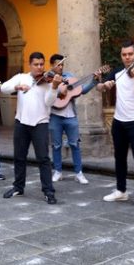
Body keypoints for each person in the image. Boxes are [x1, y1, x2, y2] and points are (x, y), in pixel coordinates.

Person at [97, 40, 134, 210]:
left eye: (130, 54)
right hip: (119, 121)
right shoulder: (118, 72)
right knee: (119, 158)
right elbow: (99, 87)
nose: (127, 57)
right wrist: (104, 85)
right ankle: (121, 190)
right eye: (124, 54)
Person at [0, 52, 62, 204]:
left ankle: (48, 191)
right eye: (36, 64)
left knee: (43, 159)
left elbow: (48, 103)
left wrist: (54, 87)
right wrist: (17, 86)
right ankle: (18, 187)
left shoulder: (48, 81)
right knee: (19, 157)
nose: (39, 68)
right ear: (30, 65)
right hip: (21, 122)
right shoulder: (22, 77)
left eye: (41, 64)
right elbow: (3, 88)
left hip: (40, 123)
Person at [49, 54, 99, 185]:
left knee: (75, 144)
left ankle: (79, 173)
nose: (60, 67)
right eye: (58, 65)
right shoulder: (47, 78)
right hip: (54, 116)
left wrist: (94, 81)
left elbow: (82, 91)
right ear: (52, 65)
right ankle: (58, 172)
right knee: (56, 145)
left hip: (70, 116)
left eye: (62, 65)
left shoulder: (69, 77)